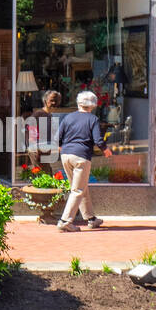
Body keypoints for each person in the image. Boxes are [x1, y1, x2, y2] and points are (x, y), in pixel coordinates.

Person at [55, 90, 113, 232]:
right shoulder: (92, 119)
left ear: (79, 103)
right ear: (92, 105)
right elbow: (98, 139)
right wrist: (106, 150)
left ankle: (91, 218)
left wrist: (62, 148)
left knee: (81, 187)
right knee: (78, 190)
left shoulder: (68, 117)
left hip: (65, 156)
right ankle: (65, 221)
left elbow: (57, 137)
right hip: (81, 157)